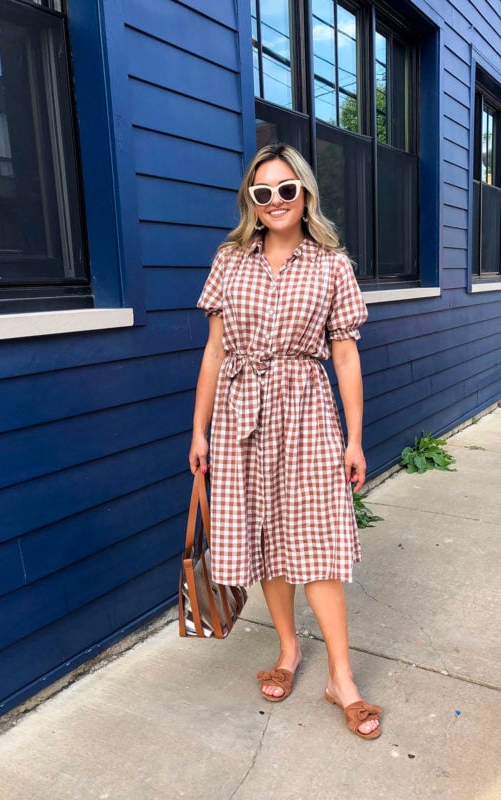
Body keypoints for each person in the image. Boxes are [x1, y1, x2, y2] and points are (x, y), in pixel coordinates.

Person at [188, 144, 381, 740]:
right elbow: (216, 351)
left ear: (305, 194)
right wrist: (199, 429)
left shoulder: (332, 265)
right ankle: (290, 650)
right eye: (262, 192)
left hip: (306, 412)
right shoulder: (230, 260)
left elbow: (345, 354)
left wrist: (355, 438)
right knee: (267, 539)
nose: (275, 201)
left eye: (286, 189)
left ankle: (342, 679)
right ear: (251, 200)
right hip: (242, 413)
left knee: (317, 541)